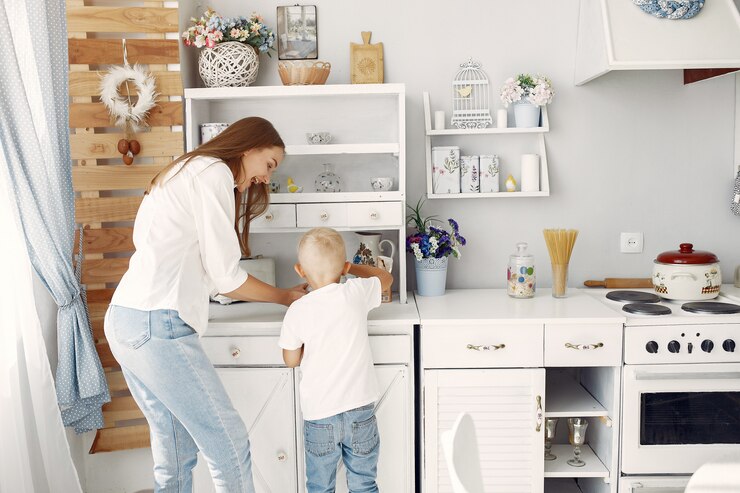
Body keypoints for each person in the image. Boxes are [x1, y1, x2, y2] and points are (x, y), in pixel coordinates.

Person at [104, 116, 307, 493]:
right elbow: (226, 278)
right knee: (227, 441)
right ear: (249, 147)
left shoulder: (183, 169)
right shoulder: (213, 173)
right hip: (156, 323)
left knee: (175, 445)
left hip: (126, 318)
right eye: (270, 164)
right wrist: (284, 296)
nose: (266, 177)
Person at [279, 227, 393, 493]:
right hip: (359, 412)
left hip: (320, 416)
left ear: (300, 270)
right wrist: (351, 268)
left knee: (320, 487)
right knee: (364, 484)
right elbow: (385, 278)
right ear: (343, 267)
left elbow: (291, 360)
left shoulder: (297, 310)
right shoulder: (354, 292)